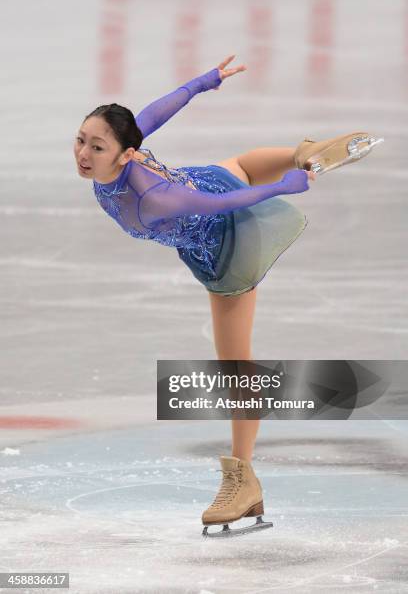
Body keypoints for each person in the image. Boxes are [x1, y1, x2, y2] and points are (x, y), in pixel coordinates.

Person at [74, 55, 383, 537]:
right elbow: (152, 114)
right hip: (207, 186)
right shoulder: (120, 155)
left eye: (96, 146)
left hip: (227, 243)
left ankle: (243, 478)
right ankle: (304, 151)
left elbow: (226, 204)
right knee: (235, 165)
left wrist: (286, 187)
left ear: (126, 154)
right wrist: (202, 82)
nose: (84, 154)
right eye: (81, 140)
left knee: (235, 365)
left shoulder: (153, 197)